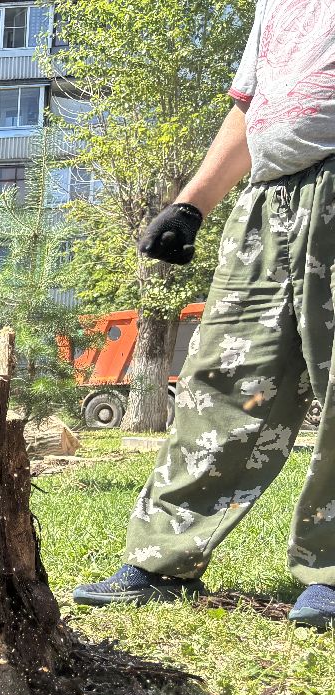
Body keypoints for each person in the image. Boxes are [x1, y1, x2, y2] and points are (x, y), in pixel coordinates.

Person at [73, 0, 335, 630]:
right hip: (270, 196)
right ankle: (161, 558)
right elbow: (251, 105)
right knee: (220, 378)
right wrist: (192, 204)